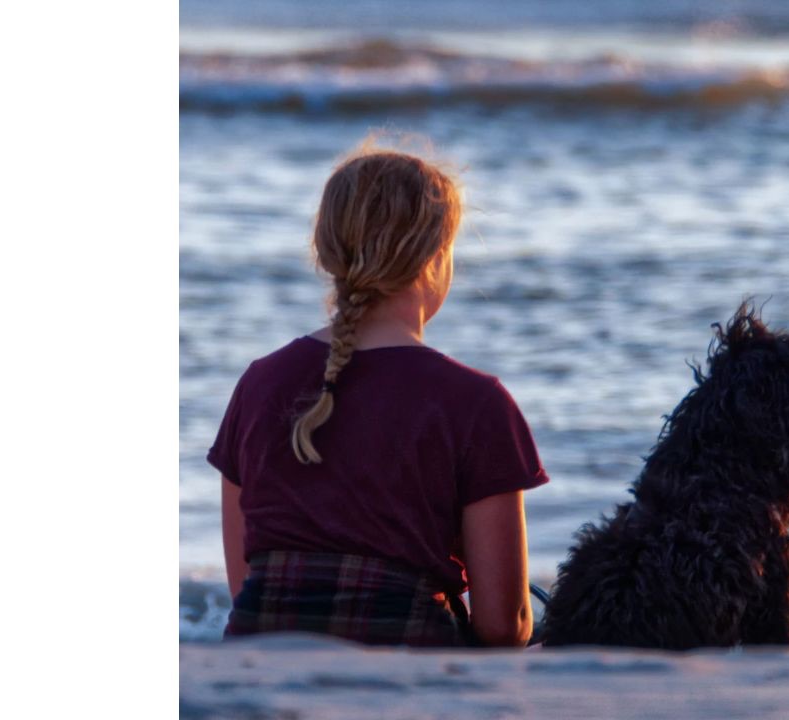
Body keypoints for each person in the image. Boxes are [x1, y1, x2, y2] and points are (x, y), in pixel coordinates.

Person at [207, 144, 549, 647]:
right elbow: (502, 626)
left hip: (261, 656)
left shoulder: (258, 383)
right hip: (410, 660)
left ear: (326, 252)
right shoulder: (477, 403)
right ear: (436, 258)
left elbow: (247, 587)